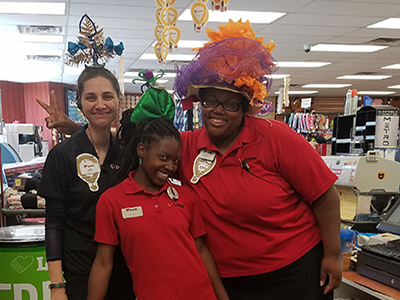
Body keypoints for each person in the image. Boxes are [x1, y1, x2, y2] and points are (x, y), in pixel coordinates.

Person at [38, 19, 342, 300]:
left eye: (230, 105)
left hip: (292, 270)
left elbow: (324, 194)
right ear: (199, 102)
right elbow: (142, 146)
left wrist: (333, 254)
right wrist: (79, 130)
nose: (217, 111)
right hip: (230, 279)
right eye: (210, 101)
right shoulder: (186, 146)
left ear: (245, 107)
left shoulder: (276, 137)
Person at [87, 76, 229, 300]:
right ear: (141, 150)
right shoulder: (113, 200)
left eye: (175, 160)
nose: (170, 167)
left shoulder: (184, 195)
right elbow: (103, 263)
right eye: (163, 157)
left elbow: (201, 250)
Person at [37, 66, 134, 300]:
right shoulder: (63, 155)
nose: (100, 104)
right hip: (80, 269)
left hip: (123, 269)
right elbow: (54, 224)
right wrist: (56, 286)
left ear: (119, 101)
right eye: (91, 97)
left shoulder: (127, 155)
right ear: (80, 104)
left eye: (107, 96)